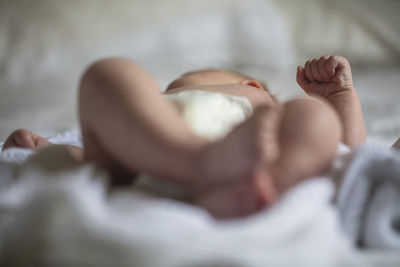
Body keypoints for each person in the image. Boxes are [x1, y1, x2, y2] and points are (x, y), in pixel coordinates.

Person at [1, 55, 366, 219]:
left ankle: (263, 183)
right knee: (109, 74)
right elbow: (86, 148)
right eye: (171, 88)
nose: (171, 89)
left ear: (251, 86)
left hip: (248, 158)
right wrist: (46, 151)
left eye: (184, 83)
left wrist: (338, 101)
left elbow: (348, 155)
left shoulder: (263, 108)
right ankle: (204, 164)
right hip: (147, 155)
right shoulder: (150, 113)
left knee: (314, 116)